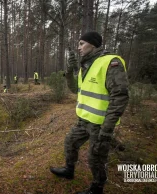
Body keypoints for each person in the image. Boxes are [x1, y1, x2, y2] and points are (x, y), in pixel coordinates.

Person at [50, 31, 129, 194]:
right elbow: (74, 89)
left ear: (92, 44)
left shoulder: (110, 62)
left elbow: (120, 97)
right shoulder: (86, 65)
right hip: (84, 120)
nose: (78, 48)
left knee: (96, 158)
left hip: (100, 124)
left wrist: (107, 129)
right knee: (70, 142)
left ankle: (97, 188)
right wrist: (70, 70)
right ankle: (69, 170)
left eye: (81, 43)